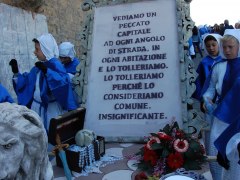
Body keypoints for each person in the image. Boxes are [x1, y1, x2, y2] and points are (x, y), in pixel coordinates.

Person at [9, 33, 78, 132]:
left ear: (46, 49)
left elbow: (63, 84)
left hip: (51, 110)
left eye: (37, 49)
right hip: (36, 109)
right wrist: (16, 73)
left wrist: (48, 72)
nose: (34, 52)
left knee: (52, 135)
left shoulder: (55, 65)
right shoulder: (39, 66)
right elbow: (27, 83)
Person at [202, 29, 240, 180]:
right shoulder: (218, 66)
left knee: (235, 157)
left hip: (237, 120)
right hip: (220, 116)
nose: (227, 50)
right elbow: (210, 88)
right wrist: (207, 100)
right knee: (216, 153)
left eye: (231, 47)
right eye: (224, 47)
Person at [193, 33, 222, 102]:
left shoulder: (225, 60)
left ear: (219, 44)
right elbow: (199, 81)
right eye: (208, 46)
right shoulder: (204, 62)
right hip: (209, 97)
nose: (211, 48)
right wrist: (201, 96)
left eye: (213, 45)